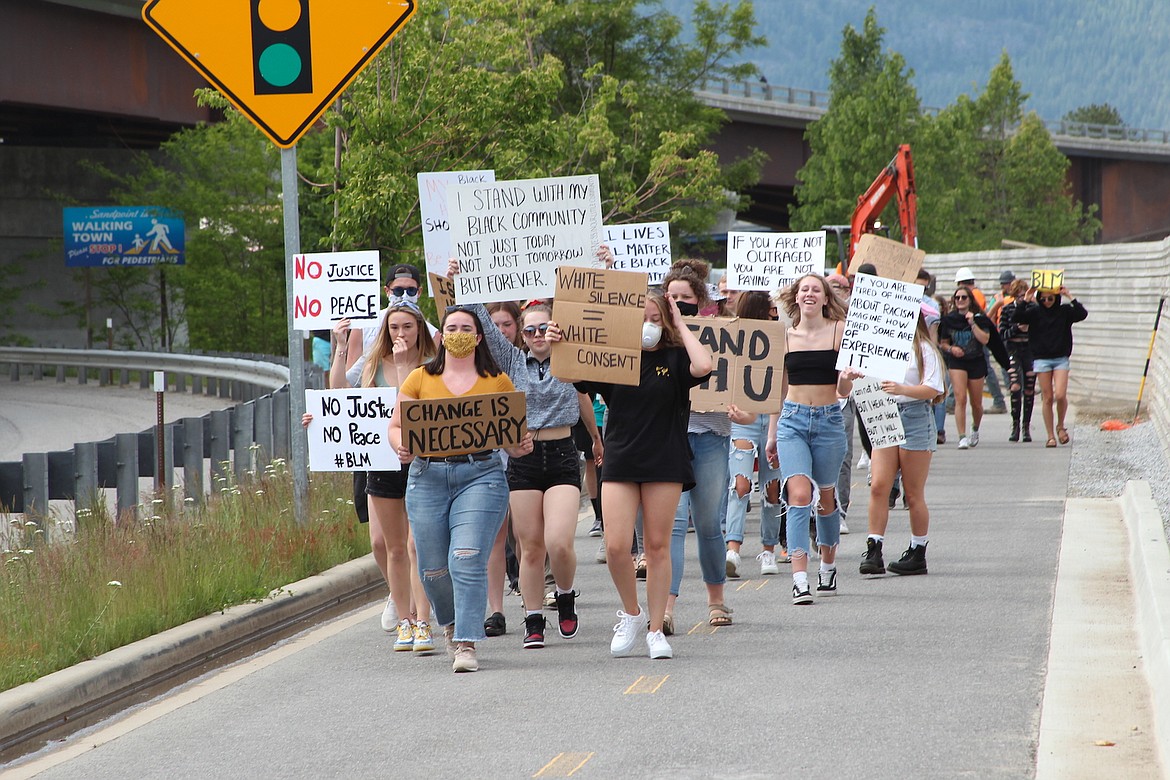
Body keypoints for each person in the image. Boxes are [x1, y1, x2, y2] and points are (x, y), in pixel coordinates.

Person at [547, 291, 712, 659]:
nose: (647, 325)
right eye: (641, 318)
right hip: (621, 456)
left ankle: (656, 629)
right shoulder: (614, 359)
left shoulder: (675, 356)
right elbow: (570, 374)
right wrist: (560, 342)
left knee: (656, 546)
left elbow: (703, 366)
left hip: (664, 458)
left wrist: (680, 323)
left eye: (655, 318)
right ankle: (633, 614)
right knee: (618, 546)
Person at [388, 306, 534, 673]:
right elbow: (396, 426)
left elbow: (513, 437)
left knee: (466, 558)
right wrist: (399, 445)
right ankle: (451, 623)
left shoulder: (497, 380)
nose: (457, 333)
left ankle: (467, 642)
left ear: (478, 336)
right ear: (441, 336)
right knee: (433, 569)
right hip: (428, 477)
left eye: (465, 328)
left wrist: (520, 445)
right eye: (450, 327)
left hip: (480, 475)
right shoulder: (420, 379)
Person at [469, 297, 603, 649]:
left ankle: (564, 593)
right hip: (524, 458)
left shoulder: (569, 356)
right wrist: (461, 285)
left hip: (561, 455)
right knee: (530, 547)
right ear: (522, 335)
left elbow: (600, 327)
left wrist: (595, 436)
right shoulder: (512, 359)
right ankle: (532, 618)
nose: (537, 334)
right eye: (530, 330)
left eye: (544, 327)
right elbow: (482, 323)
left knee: (559, 541)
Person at [309, 303, 438, 651]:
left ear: (419, 329)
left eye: (408, 327)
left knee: (417, 546)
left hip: (422, 463)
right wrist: (321, 418)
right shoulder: (370, 366)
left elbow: (416, 405)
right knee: (394, 548)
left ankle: (424, 620)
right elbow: (340, 395)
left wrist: (401, 365)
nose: (401, 334)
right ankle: (404, 620)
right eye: (394, 327)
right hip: (382, 463)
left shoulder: (430, 366)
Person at [765, 274, 859, 606]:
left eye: (815, 289)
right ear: (796, 297)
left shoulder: (839, 331)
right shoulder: (786, 337)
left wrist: (846, 379)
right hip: (792, 421)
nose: (809, 293)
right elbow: (779, 389)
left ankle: (828, 566)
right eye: (804, 289)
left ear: (824, 298)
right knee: (799, 494)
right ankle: (800, 579)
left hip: (829, 420)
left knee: (826, 498)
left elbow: (843, 390)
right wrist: (772, 433)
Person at [661, 260, 735, 633]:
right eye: (670, 296)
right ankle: (667, 607)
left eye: (684, 297)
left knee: (707, 523)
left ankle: (716, 599)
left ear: (700, 300)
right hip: (670, 437)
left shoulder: (722, 333)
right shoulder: (653, 337)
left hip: (710, 437)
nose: (676, 303)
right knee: (672, 526)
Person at [859, 311, 945, 576]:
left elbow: (933, 388)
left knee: (913, 491)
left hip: (915, 415)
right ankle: (874, 548)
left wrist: (903, 389)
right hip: (884, 413)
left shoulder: (923, 349)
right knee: (879, 485)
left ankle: (918, 550)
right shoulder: (879, 345)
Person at [724, 291, 787, 577]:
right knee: (740, 485)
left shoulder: (780, 341)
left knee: (772, 490)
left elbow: (780, 394)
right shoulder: (733, 341)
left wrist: (773, 431)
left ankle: (768, 550)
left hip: (774, 419)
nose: (776, 313)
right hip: (744, 420)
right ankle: (733, 551)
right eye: (772, 309)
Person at [1013, 284, 1088, 447]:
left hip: (1060, 357)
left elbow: (1082, 314)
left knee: (1060, 394)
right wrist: (1026, 300)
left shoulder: (1065, 311)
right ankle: (1050, 435)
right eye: (1043, 298)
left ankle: (1060, 426)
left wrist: (1070, 296)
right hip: (1041, 358)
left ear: (1056, 298)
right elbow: (1017, 317)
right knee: (1047, 397)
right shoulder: (1034, 312)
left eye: (1050, 298)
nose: (1047, 301)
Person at [938, 285, 992, 449]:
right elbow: (943, 343)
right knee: (960, 398)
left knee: (976, 403)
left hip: (976, 361)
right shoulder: (949, 320)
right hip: (957, 361)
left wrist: (973, 323)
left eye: (964, 297)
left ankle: (975, 428)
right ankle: (962, 436)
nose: (960, 300)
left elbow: (985, 340)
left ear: (970, 300)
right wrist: (951, 349)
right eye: (957, 298)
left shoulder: (979, 318)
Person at [998, 278, 1036, 442]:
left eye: (1023, 295)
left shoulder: (1033, 309)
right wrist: (1017, 328)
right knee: (1015, 385)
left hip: (1029, 350)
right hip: (1013, 349)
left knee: (1029, 387)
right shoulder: (1007, 310)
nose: (1021, 298)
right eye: (1018, 296)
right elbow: (1002, 334)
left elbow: (1040, 331)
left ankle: (1026, 426)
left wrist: (1030, 329)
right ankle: (1015, 425)